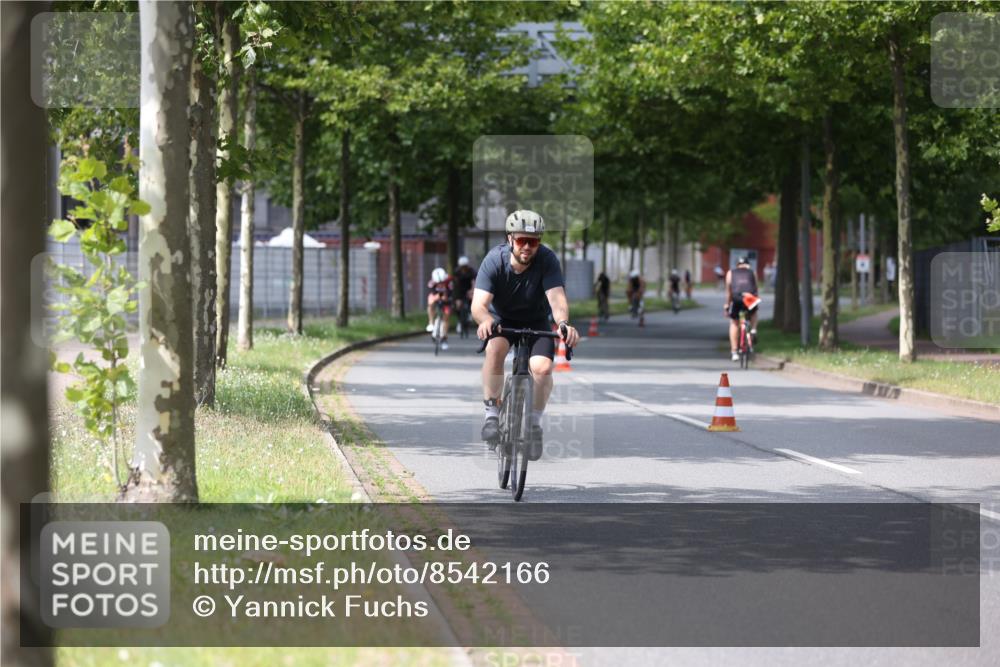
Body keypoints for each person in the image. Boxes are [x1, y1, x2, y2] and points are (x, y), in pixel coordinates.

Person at [472, 209, 580, 460]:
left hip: (537, 321)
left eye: (534, 241)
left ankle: (533, 424)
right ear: (510, 239)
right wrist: (485, 320)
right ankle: (491, 413)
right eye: (522, 240)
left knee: (542, 369)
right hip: (503, 320)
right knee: (494, 349)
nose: (528, 247)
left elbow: (557, 298)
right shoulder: (494, 261)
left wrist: (563, 323)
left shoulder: (547, 260)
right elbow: (478, 305)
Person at [725, 257, 760, 362]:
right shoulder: (752, 272)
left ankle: (734, 351)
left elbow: (729, 291)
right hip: (750, 298)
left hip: (737, 298)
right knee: (754, 312)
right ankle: (753, 329)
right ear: (748, 264)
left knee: (734, 323)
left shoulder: (731, 273)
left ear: (737, 265)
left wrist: (727, 305)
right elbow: (756, 289)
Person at [426, 267, 453, 350]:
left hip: (446, 299)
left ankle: (444, 337)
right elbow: (432, 292)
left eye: (442, 282)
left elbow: (451, 293)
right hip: (436, 297)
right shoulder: (432, 282)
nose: (440, 284)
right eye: (438, 283)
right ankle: (431, 322)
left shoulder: (449, 281)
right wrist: (436, 297)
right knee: (430, 302)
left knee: (446, 316)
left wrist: (446, 297)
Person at [452, 256, 477, 334]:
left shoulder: (471, 271)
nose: (463, 268)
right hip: (459, 290)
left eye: (465, 266)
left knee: (472, 299)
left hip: (469, 289)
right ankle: (460, 321)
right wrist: (457, 296)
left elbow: (474, 281)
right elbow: (455, 284)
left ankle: (470, 314)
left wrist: (472, 290)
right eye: (462, 267)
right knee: (458, 305)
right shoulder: (457, 272)